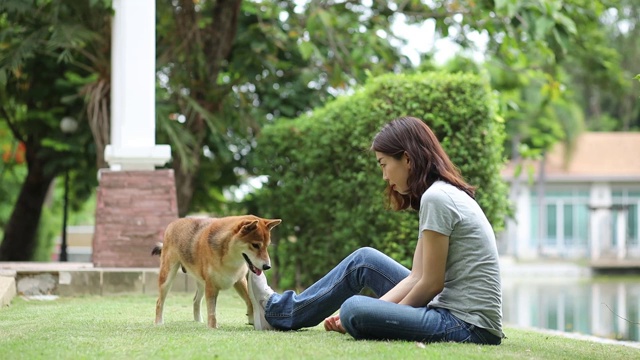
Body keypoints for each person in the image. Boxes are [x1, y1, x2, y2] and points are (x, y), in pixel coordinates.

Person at [247, 116, 504, 345]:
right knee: (365, 261)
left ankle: (283, 312)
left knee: (354, 310)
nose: (384, 176)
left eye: (383, 164)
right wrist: (383, 311)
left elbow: (432, 283)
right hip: (450, 310)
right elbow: (417, 276)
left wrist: (386, 316)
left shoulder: (437, 198)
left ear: (407, 158)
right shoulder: (438, 194)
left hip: (467, 325)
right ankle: (280, 312)